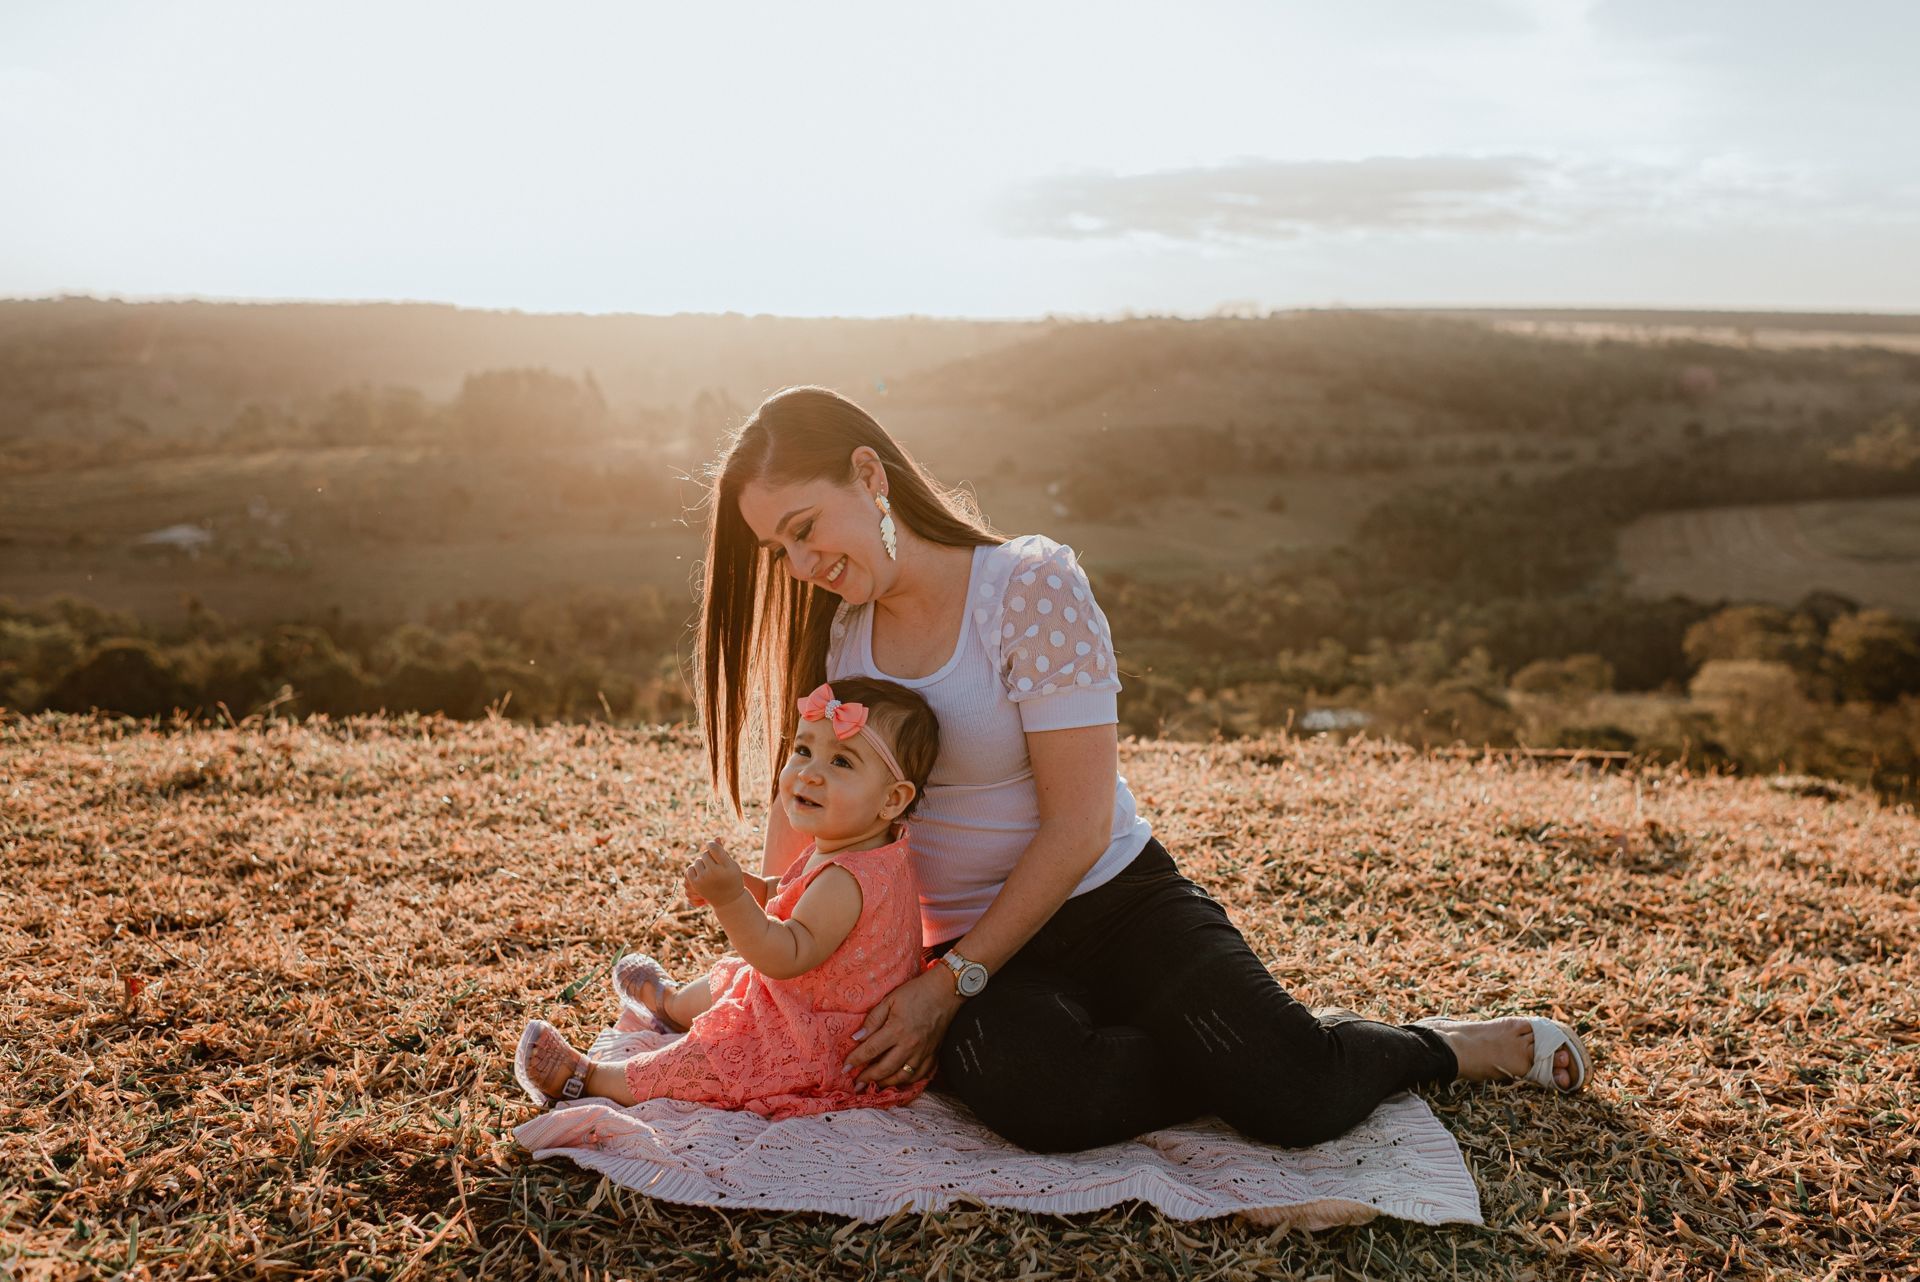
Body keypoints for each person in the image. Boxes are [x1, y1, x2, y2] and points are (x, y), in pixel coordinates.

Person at [695, 385, 1592, 1154]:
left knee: (1297, 1102)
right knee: (1032, 1094)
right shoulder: (840, 634)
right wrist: (770, 950)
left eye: (805, 529)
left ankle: (1431, 1046)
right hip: (968, 940)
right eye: (781, 551)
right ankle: (1232, 1055)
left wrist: (945, 989)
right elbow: (803, 805)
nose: (802, 566)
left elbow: (1080, 826)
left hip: (1115, 902)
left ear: (868, 474)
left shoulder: (1027, 588)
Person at [514, 676, 938, 1120]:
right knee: (734, 978)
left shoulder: (846, 880)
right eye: (803, 750)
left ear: (892, 800)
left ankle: (589, 1079)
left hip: (823, 1046)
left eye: (842, 762)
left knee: (716, 1060)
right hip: (816, 1003)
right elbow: (792, 894)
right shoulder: (866, 846)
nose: (810, 773)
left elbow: (784, 954)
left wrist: (731, 899)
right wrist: (753, 885)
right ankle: (671, 1006)